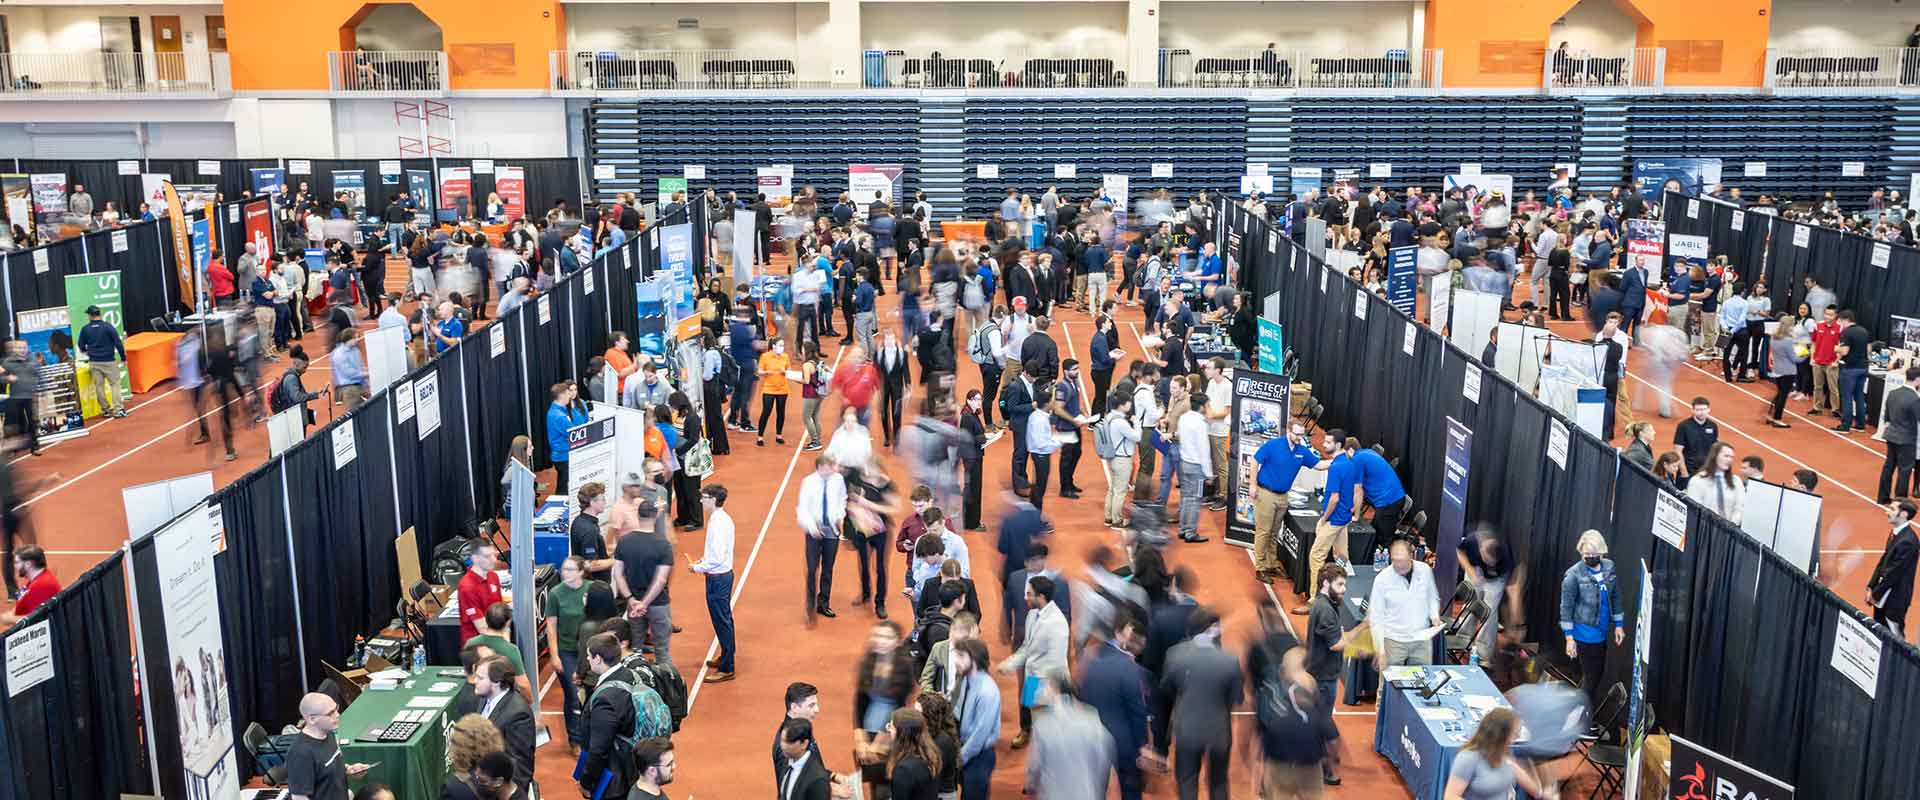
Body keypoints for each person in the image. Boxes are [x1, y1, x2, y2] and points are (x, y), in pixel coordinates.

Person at [1162, 608, 1241, 800]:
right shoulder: (1229, 660)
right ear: (1212, 629)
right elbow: (1236, 699)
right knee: (1219, 783)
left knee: (1187, 781)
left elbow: (1167, 691)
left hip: (1187, 731)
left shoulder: (1174, 655)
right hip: (1219, 732)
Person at [1248, 642, 1340, 800]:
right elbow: (1331, 738)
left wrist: (1257, 775)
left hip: (1279, 766)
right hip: (1308, 767)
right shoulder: (1311, 688)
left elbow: (1260, 736)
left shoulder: (1271, 694)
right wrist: (1331, 761)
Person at [997, 575, 1069, 750]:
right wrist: (1010, 664)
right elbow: (1027, 648)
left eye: (1029, 594)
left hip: (1046, 684)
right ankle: (1027, 732)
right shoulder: (1032, 615)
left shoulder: (1057, 622)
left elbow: (1057, 662)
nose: (1025, 598)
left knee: (1049, 733)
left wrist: (1047, 692)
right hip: (1032, 679)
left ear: (1041, 597)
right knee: (1029, 715)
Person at [1558, 530, 1624, 707]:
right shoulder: (1573, 576)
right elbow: (1566, 608)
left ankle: (1578, 714)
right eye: (1586, 554)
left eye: (1594, 554)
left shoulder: (1609, 567)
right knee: (1591, 678)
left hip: (1601, 631)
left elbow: (1616, 595)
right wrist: (1569, 638)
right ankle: (1580, 718)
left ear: (1602, 552)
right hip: (1584, 633)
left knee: (1595, 676)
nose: (1590, 557)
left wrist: (1619, 625)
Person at [1024, 672, 1115, 800]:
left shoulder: (1042, 725)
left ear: (1054, 691)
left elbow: (1034, 765)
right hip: (1086, 794)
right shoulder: (1092, 718)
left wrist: (1030, 787)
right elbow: (1104, 758)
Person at [854, 621, 917, 795]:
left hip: (893, 731)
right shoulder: (868, 661)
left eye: (887, 637)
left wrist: (878, 744)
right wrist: (861, 739)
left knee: (888, 785)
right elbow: (860, 701)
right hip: (870, 726)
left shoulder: (904, 666)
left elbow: (899, 707)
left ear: (897, 641)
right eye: (878, 636)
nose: (881, 641)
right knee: (873, 779)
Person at [1251, 423, 1319, 582]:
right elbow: (1255, 461)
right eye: (1296, 434)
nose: (1299, 438)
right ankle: (1260, 567)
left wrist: (1338, 460)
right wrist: (1252, 485)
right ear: (1288, 431)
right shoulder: (1274, 445)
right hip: (1266, 493)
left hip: (1283, 496)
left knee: (1274, 532)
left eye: (1302, 435)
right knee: (1263, 532)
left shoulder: (1302, 451)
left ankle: (1271, 563)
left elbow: (1318, 464)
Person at [1445, 708, 1558, 800]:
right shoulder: (1468, 758)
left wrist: (1541, 794)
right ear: (1500, 736)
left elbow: (1518, 773)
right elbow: (1450, 796)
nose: (1517, 738)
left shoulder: (1504, 752)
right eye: (1514, 734)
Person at [612, 500, 674, 668]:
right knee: (662, 650)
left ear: (637, 515)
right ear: (656, 516)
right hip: (658, 604)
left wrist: (632, 601)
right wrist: (644, 603)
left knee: (636, 648)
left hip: (633, 605)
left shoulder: (624, 541)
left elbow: (618, 574)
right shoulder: (663, 544)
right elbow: (660, 580)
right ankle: (667, 685)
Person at [579, 634, 640, 797]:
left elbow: (599, 749)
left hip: (615, 778)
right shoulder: (629, 674)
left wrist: (587, 782)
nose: (587, 658)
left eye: (588, 655)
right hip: (632, 763)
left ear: (597, 658)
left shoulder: (605, 698)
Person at [544, 556, 594, 752]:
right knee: (573, 695)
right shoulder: (556, 594)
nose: (565, 573)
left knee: (591, 693)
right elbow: (551, 627)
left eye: (571, 569)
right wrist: (554, 656)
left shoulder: (592, 589)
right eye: (564, 569)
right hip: (567, 652)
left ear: (581, 572)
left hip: (590, 651)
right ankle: (575, 739)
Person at [1369, 538, 1442, 667]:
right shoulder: (1382, 579)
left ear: (1411, 557)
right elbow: (1376, 617)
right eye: (1394, 560)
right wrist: (1380, 651)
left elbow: (1432, 597)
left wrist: (1434, 616)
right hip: (1393, 641)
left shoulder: (1425, 570)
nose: (1398, 565)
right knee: (1388, 685)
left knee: (1423, 682)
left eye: (1401, 560)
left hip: (1421, 640)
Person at [689, 484, 737, 682]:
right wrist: (704, 560)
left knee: (722, 621)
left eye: (705, 497)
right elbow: (717, 553)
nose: (701, 500)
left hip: (718, 579)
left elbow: (717, 557)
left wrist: (697, 567)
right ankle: (726, 657)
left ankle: (727, 667)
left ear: (714, 499)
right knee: (723, 620)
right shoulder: (721, 519)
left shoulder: (718, 524)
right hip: (720, 575)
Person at [287, 692, 369, 800]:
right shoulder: (301, 753)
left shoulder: (329, 733)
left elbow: (327, 766)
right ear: (312, 719)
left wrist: (349, 769)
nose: (337, 715)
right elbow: (299, 797)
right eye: (331, 713)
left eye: (336, 709)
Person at [1457, 527, 1521, 663]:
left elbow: (1513, 589)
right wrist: (1469, 569)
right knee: (1471, 603)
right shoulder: (1473, 541)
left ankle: (1484, 653)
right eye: (1487, 561)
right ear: (1481, 550)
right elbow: (1460, 552)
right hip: (1475, 568)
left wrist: (1515, 619)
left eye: (1493, 563)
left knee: (1489, 611)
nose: (1490, 565)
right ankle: (1461, 639)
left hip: (1497, 578)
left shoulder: (1505, 558)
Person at [473, 657, 536, 794]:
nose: (474, 681)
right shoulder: (485, 698)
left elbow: (521, 767)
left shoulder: (518, 714)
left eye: (480, 678)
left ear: (496, 682)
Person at [950, 638, 1001, 800]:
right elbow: (958, 712)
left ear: (974, 658)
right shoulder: (966, 679)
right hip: (965, 749)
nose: (956, 661)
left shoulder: (987, 691)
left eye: (961, 656)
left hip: (978, 757)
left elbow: (980, 735)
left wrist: (960, 757)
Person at [797, 456, 847, 623]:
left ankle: (823, 603)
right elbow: (802, 509)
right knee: (812, 569)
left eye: (831, 468)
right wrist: (813, 528)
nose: (830, 471)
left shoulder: (838, 480)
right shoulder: (808, 482)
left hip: (832, 529)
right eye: (827, 468)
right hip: (813, 530)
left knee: (828, 568)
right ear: (819, 468)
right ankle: (810, 606)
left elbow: (842, 499)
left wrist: (840, 516)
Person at [1869, 500, 1920, 640]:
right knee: (1879, 635)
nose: (1887, 511)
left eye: (1892, 509)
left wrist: (1875, 594)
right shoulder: (1896, 533)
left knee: (1895, 639)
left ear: (1903, 514)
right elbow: (1883, 561)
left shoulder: (1908, 541)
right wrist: (1871, 586)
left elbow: (1894, 572)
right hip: (1883, 595)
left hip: (1895, 599)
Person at [1174, 391, 1214, 543]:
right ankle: (1190, 532)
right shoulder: (1200, 424)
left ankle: (1183, 529)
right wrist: (1209, 473)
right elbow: (1204, 450)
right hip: (1196, 466)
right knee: (1195, 499)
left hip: (1184, 463)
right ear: (1203, 406)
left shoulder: (1184, 418)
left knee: (1185, 497)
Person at [1099, 391, 1142, 529]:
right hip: (1122, 459)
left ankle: (1108, 517)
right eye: (1128, 402)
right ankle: (1117, 520)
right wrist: (1136, 423)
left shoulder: (1108, 417)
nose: (1130, 404)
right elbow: (1137, 437)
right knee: (1120, 490)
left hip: (1111, 457)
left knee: (1112, 489)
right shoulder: (1120, 422)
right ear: (1122, 405)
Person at [76, 305, 128, 418]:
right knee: (115, 385)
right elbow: (118, 343)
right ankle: (118, 409)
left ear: (90, 315)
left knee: (99, 386)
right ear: (100, 314)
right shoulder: (108, 327)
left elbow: (80, 345)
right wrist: (123, 358)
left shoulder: (85, 329)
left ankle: (105, 410)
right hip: (109, 361)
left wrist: (87, 352)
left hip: (94, 362)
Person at [1883, 367, 1920, 504]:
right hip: (1906, 440)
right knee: (1904, 470)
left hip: (1891, 435)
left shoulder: (1893, 393)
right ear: (1917, 379)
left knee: (1889, 467)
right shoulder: (1914, 398)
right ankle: (1899, 500)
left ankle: (1883, 497)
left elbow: (1887, 416)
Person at [456, 541, 505, 643]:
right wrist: (504, 643)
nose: (494, 560)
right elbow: (482, 628)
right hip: (478, 647)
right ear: (475, 558)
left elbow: (501, 611)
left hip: (496, 635)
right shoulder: (467, 587)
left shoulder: (493, 576)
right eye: (487, 556)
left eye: (494, 555)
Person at [1686, 441, 1744, 523]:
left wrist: (1731, 526)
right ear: (1714, 456)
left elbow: (1740, 507)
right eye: (1726, 456)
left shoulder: (1736, 481)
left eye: (1731, 457)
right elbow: (1694, 510)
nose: (1729, 460)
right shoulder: (1698, 481)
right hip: (1705, 529)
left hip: (1730, 531)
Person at [777, 719, 836, 800]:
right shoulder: (786, 763)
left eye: (789, 742)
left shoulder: (817, 780)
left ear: (804, 744)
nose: (782, 746)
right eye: (782, 740)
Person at [547, 382, 590, 492]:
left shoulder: (558, 411)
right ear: (561, 396)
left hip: (563, 454)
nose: (570, 396)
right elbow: (573, 433)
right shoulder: (559, 416)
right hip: (563, 456)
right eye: (567, 393)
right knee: (563, 488)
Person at [1835, 309, 1872, 433]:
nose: (1839, 324)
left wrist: (1836, 348)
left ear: (1845, 320)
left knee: (1847, 397)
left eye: (1839, 321)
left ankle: (1845, 425)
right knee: (1859, 395)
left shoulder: (1846, 333)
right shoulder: (1864, 331)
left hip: (1850, 368)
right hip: (1863, 367)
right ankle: (1861, 424)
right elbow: (1869, 349)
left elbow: (1844, 351)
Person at [1, 340, 40, 454]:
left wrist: (41, 388)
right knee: (16, 423)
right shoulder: (8, 362)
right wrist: (7, 379)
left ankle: (34, 446)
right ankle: (14, 448)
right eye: (19, 348)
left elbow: (39, 374)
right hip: (16, 398)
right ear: (15, 349)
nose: (22, 350)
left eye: (24, 347)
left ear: (27, 348)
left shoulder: (33, 360)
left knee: (33, 422)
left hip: (30, 396)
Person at [1, 546, 58, 624]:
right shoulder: (38, 577)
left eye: (17, 562)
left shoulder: (41, 585)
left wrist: (8, 619)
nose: (15, 566)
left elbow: (36, 619)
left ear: (28, 564)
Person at [1025, 386, 1061, 511]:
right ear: (1046, 404)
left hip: (1038, 454)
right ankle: (1035, 519)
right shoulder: (1040, 420)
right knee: (1040, 487)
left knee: (1038, 486)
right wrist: (1059, 442)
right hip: (1041, 455)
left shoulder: (1037, 415)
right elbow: (1041, 443)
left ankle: (1033, 515)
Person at [1670, 397, 1718, 486]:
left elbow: (1714, 449)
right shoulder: (1683, 426)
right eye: (1698, 410)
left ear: (1709, 410)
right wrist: (1684, 473)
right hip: (1688, 470)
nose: (1701, 412)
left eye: (1704, 409)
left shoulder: (1713, 426)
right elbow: (1678, 450)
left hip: (1705, 471)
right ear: (1692, 410)